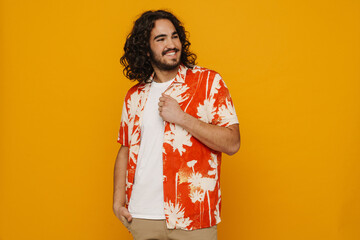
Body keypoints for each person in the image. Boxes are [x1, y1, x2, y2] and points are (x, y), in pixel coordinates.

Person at [113, 10, 240, 240]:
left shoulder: (208, 83)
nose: (171, 44)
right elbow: (125, 148)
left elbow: (232, 143)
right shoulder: (135, 96)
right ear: (146, 48)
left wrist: (182, 117)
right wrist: (117, 202)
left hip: (193, 217)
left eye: (174, 36)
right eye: (161, 39)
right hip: (142, 217)